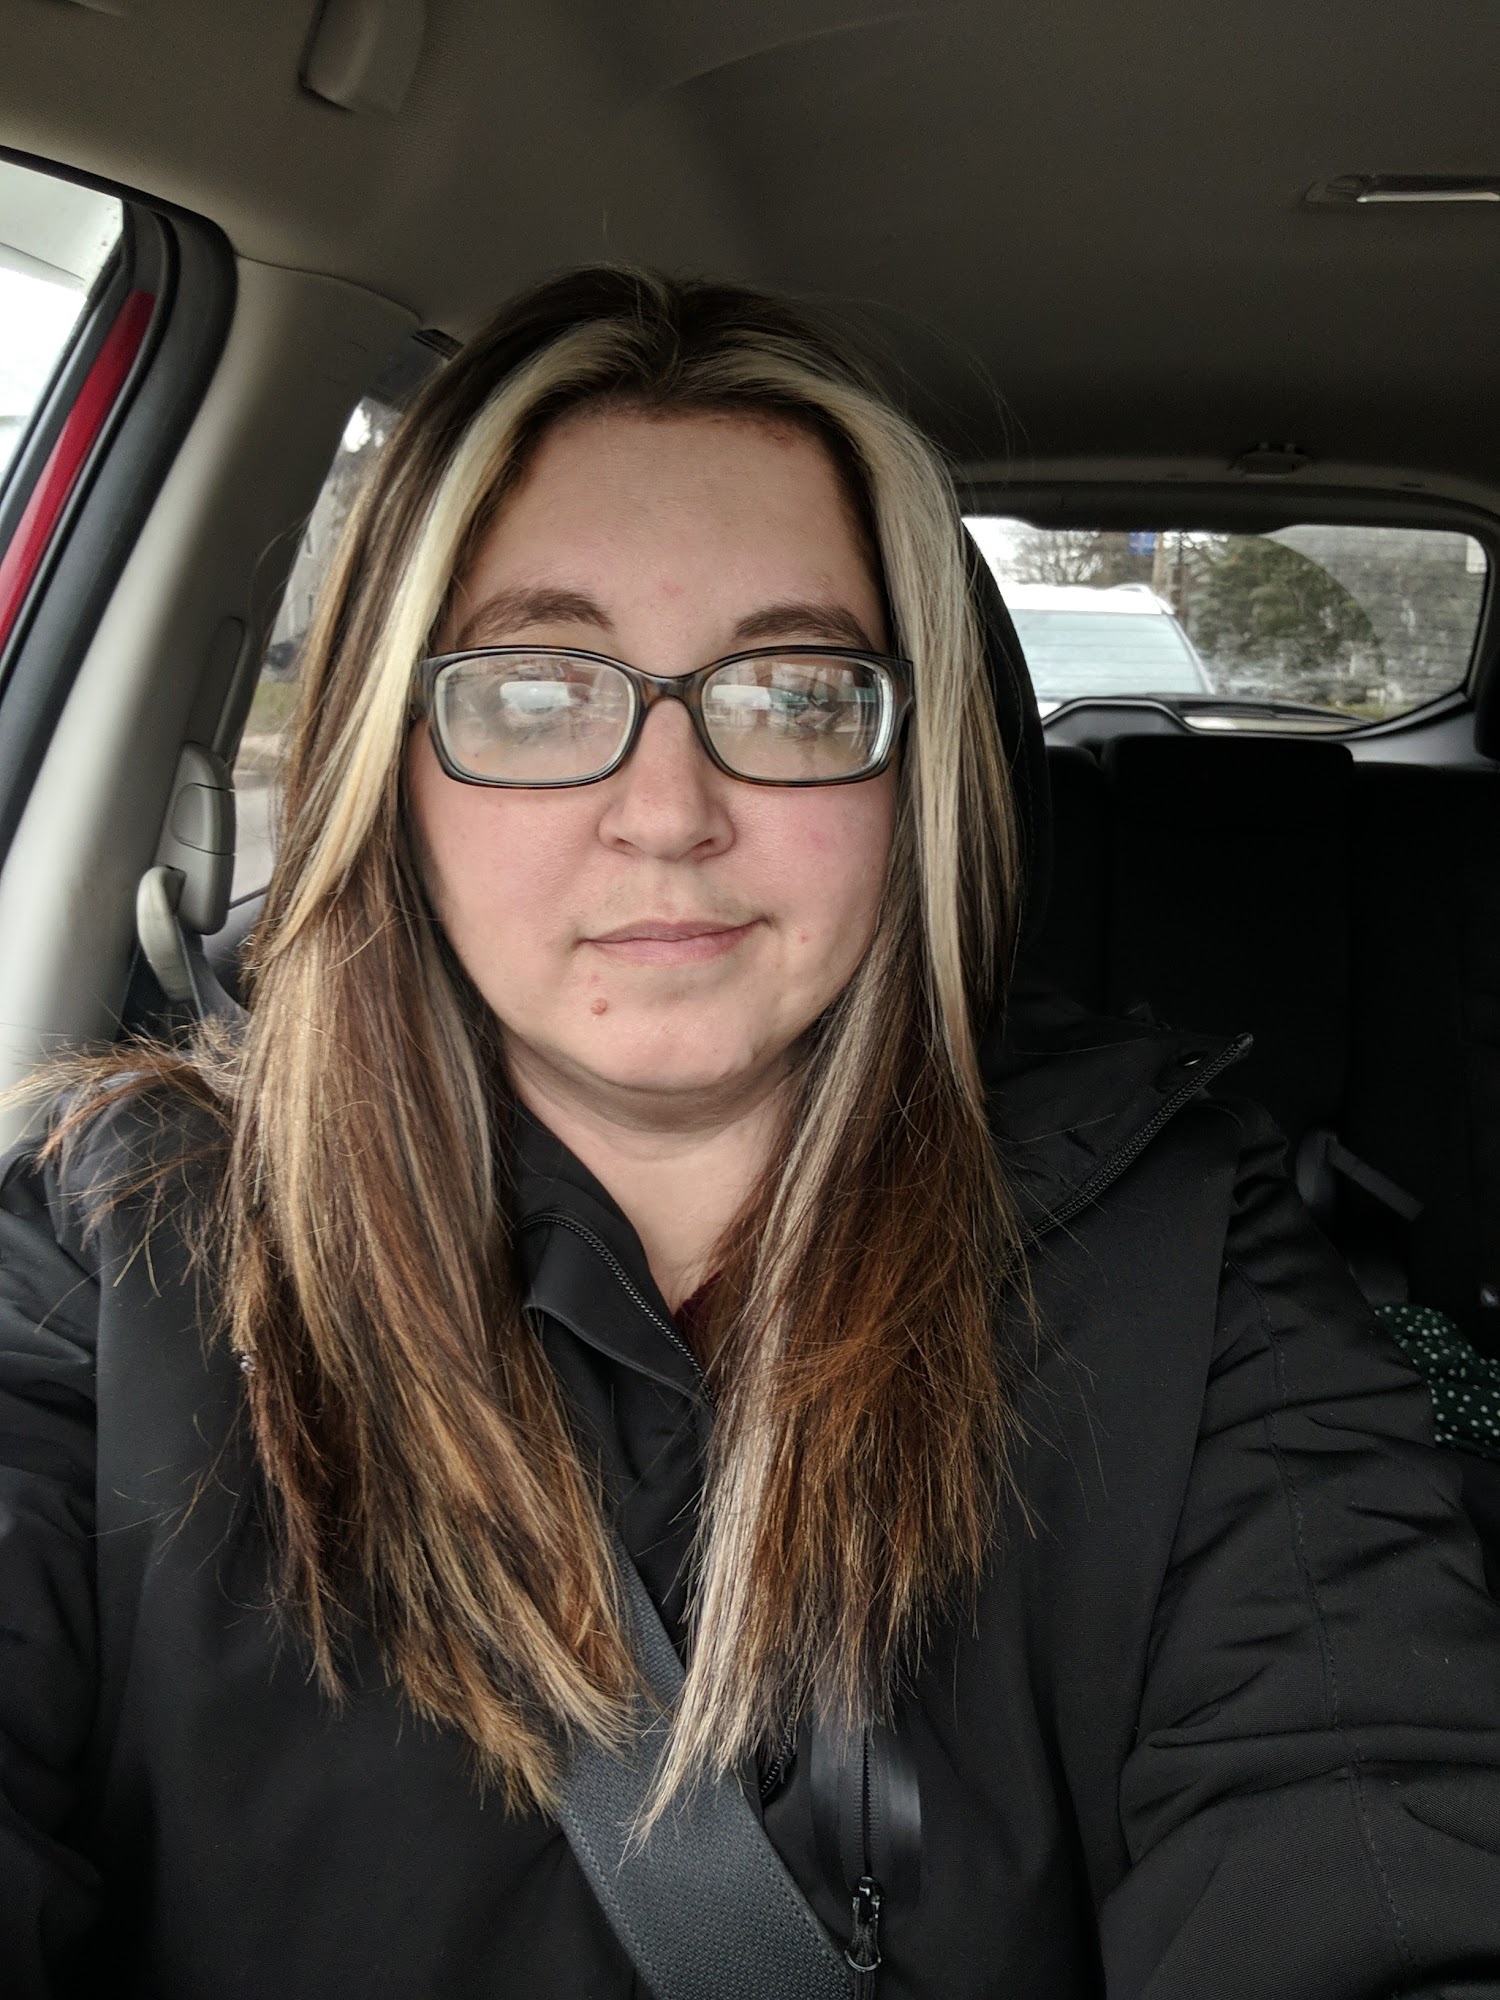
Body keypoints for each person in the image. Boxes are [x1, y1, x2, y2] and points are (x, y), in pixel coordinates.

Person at [2, 267, 1498, 2000]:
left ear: (911, 770)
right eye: (538, 691)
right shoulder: (106, 1261)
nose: (668, 814)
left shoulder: (1180, 1252)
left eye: (793, 695)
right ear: (388, 762)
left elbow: (1371, 1819)